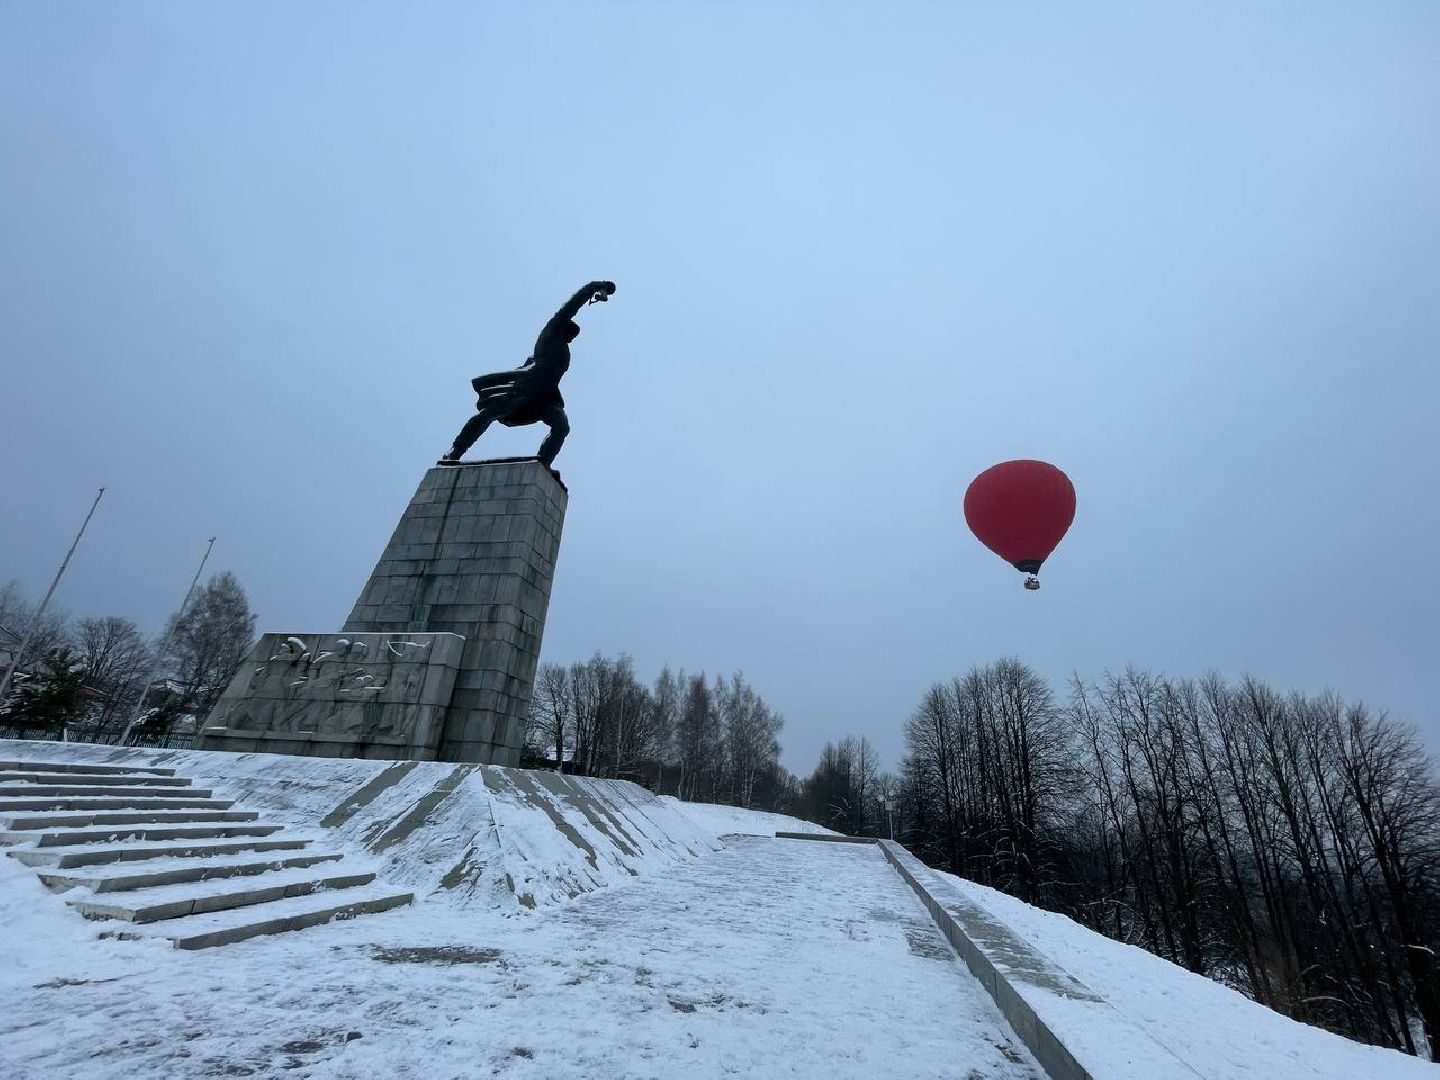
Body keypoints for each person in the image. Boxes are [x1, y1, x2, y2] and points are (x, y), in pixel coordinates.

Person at [442, 279, 617, 467]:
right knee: (488, 415)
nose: (573, 338)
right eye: (571, 333)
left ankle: (543, 464)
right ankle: (455, 450)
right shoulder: (551, 335)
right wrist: (595, 286)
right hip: (524, 389)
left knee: (561, 426)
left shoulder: (565, 349)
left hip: (546, 397)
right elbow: (571, 306)